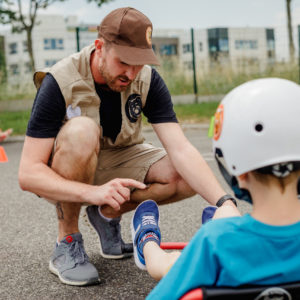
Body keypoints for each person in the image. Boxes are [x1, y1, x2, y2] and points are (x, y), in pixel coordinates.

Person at [18, 7, 239, 286]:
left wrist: (224, 203)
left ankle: (106, 215)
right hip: (69, 168)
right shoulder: (60, 81)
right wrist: (94, 192)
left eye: (139, 63)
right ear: (99, 47)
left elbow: (181, 149)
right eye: (124, 61)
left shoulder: (145, 78)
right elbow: (28, 173)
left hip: (120, 159)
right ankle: (68, 239)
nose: (131, 73)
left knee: (183, 174)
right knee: (82, 130)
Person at [131, 78, 300, 299]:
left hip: (222, 242)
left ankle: (147, 242)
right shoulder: (215, 240)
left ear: (239, 173)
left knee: (166, 264)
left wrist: (220, 230)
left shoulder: (214, 242)